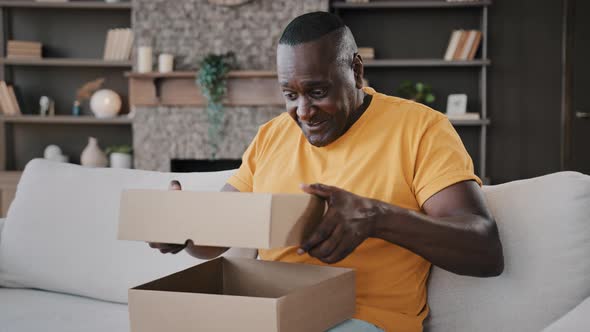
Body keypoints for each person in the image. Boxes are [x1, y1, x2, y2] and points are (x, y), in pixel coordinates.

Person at [150, 12, 504, 332]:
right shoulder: (271, 136)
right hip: (273, 314)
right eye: (290, 94)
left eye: (317, 92)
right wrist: (183, 229)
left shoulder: (421, 128)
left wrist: (377, 216)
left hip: (364, 318)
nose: (303, 112)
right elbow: (219, 232)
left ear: (356, 71)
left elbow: (484, 249)